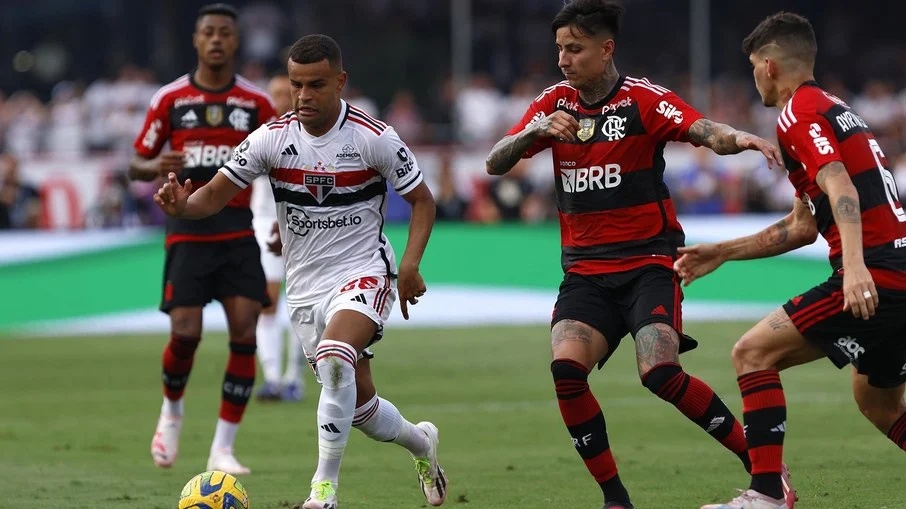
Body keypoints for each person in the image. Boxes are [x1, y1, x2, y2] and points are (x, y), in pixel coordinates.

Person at [484, 1, 789, 508]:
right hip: (584, 272)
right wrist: (533, 132)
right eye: (559, 48)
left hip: (649, 263)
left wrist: (744, 139)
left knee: (659, 374)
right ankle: (616, 499)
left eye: (575, 49)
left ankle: (760, 467)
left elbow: (702, 130)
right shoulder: (553, 103)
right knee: (565, 371)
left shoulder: (642, 101)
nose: (563, 59)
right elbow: (496, 162)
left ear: (606, 50)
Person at [152, 34, 447, 509]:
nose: (304, 96)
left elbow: (422, 201)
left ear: (340, 82)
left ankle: (322, 492)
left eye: (316, 85)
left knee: (334, 358)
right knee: (360, 407)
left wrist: (410, 265)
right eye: (296, 85)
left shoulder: (374, 137)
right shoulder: (272, 138)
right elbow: (214, 194)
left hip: (364, 270)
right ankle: (420, 443)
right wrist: (183, 206)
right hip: (306, 287)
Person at [675, 12, 906, 509]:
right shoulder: (835, 109)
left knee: (753, 354)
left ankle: (765, 496)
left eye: (754, 66)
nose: (753, 77)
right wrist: (723, 252)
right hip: (897, 269)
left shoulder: (797, 113)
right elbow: (802, 226)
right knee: (878, 401)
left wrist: (858, 267)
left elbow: (840, 184)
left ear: (771, 64)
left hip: (877, 271)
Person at [128, 3, 277, 475]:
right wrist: (157, 167)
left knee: (245, 332)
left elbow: (281, 162)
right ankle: (171, 413)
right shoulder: (170, 100)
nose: (216, 40)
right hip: (188, 232)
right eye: (208, 32)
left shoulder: (257, 104)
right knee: (185, 332)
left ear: (236, 42)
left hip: (237, 232)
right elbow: (136, 162)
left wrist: (282, 218)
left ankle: (223, 448)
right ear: (196, 40)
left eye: (225, 33)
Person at [251, 73, 306, 402]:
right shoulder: (260, 135)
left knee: (300, 304)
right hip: (264, 221)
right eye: (273, 94)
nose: (278, 100)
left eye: (284, 93)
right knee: (268, 300)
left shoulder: (309, 135)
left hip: (301, 224)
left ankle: (293, 378)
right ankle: (272, 378)